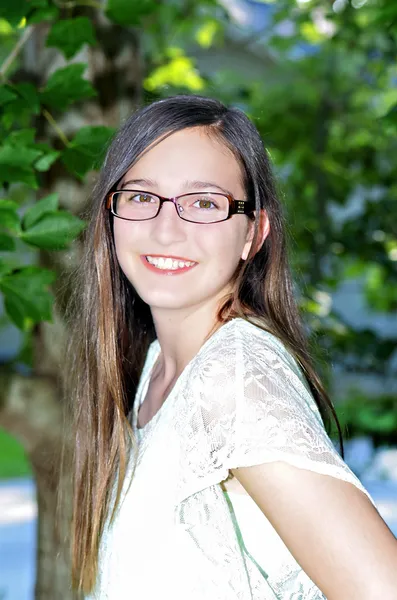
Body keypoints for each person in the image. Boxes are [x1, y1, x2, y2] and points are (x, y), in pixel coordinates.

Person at [66, 95, 397, 600]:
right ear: (111, 217)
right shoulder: (158, 365)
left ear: (253, 233)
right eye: (140, 196)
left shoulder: (234, 378)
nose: (165, 229)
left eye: (204, 204)